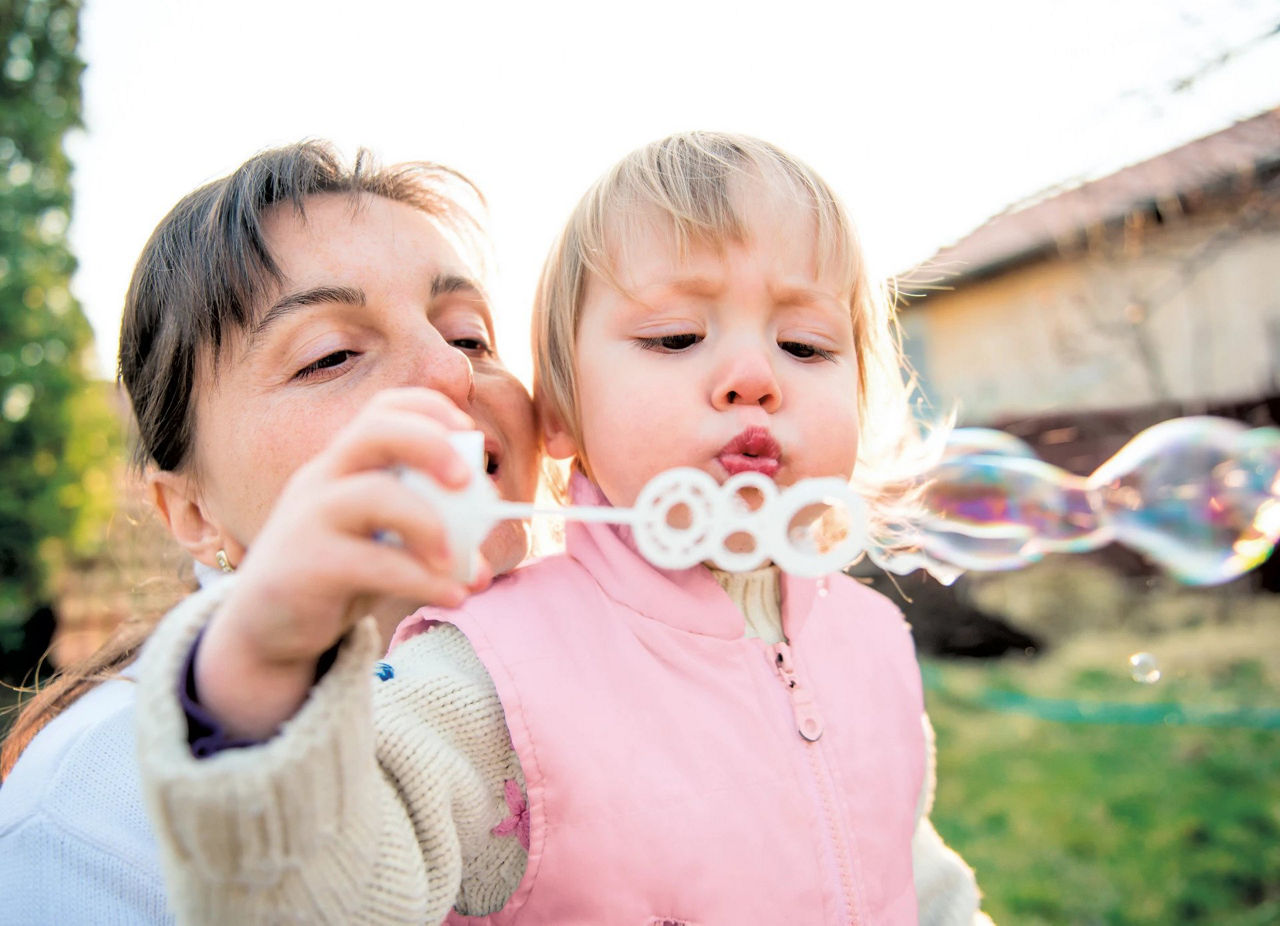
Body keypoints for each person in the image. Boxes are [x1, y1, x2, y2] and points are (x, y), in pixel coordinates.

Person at [136, 131, 991, 924]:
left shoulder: (871, 638)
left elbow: (910, 873)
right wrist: (259, 671)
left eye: (807, 344)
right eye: (676, 334)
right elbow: (326, 899)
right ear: (563, 414)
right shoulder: (488, 674)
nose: (753, 375)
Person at [0, 140, 540, 925]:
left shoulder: (608, 651)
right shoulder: (95, 814)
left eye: (468, 336)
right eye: (329, 356)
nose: (448, 372)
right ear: (190, 511)